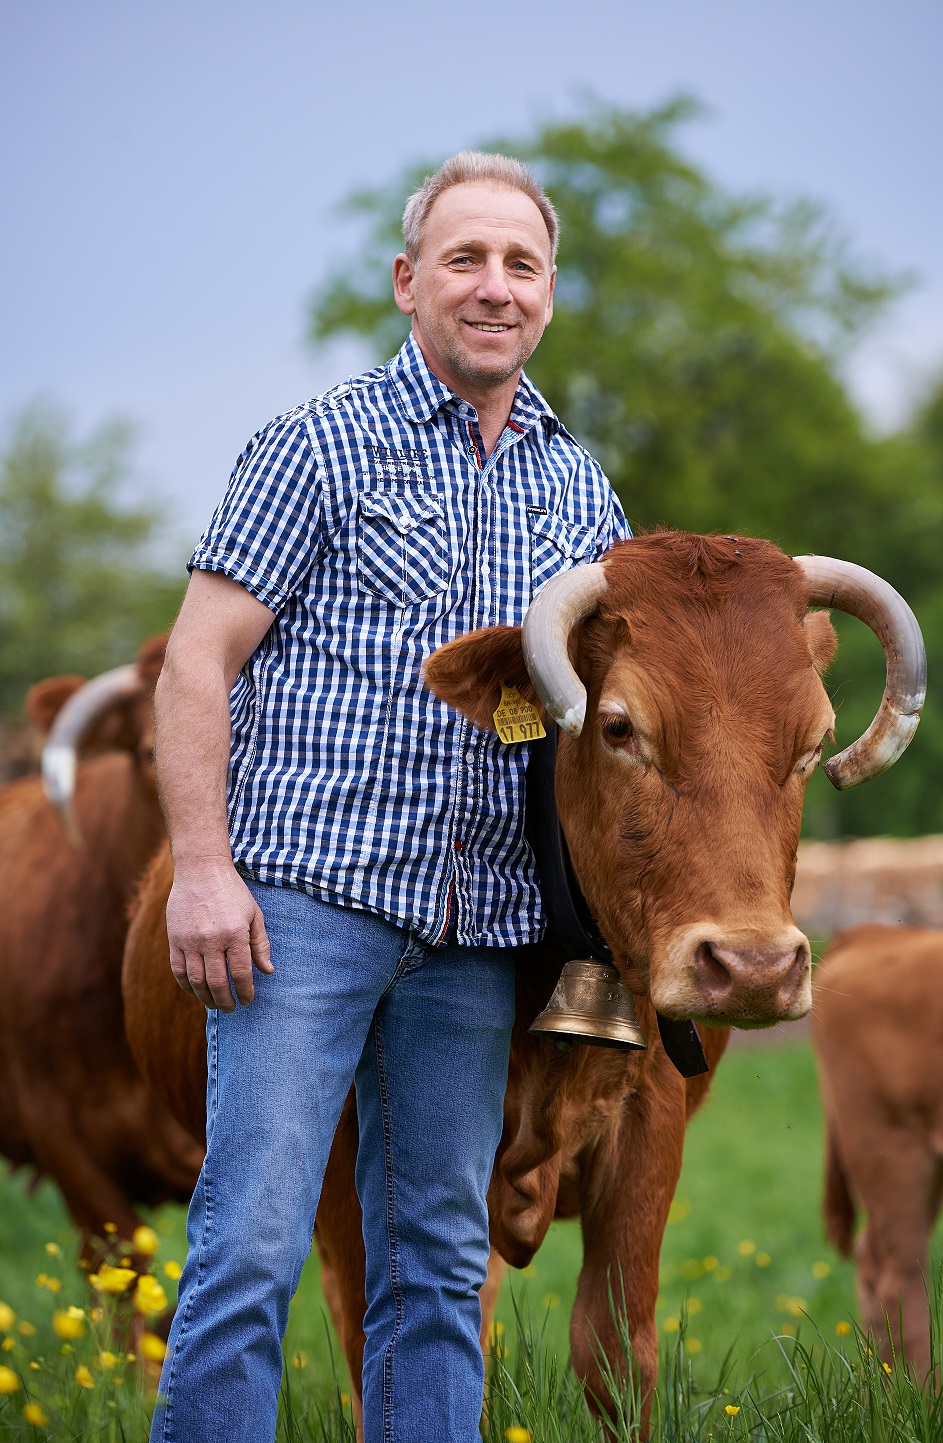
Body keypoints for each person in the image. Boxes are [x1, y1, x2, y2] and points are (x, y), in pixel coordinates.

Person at [150, 150, 631, 1443]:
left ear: (548, 295)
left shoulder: (579, 491)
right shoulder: (315, 444)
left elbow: (593, 722)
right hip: (304, 907)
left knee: (438, 1266)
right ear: (410, 281)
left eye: (520, 264)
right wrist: (204, 868)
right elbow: (199, 661)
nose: (494, 286)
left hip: (477, 938)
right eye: (465, 259)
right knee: (250, 1243)